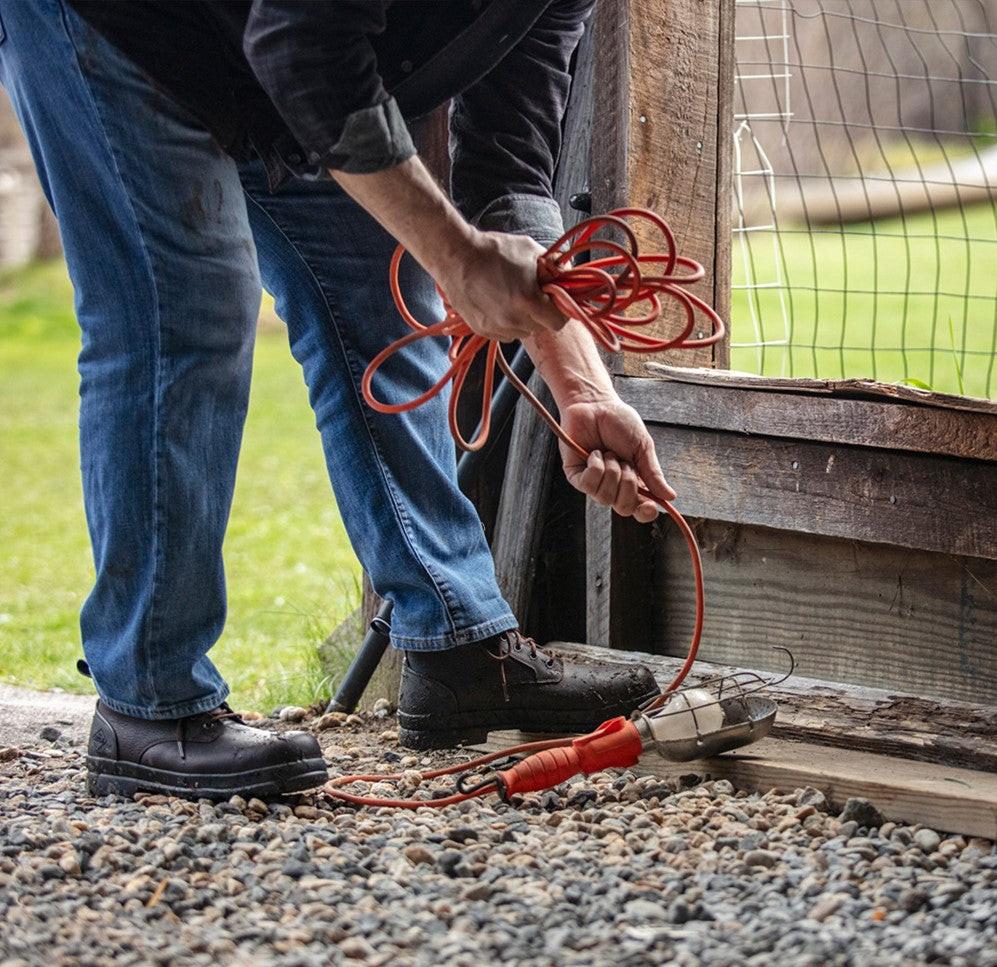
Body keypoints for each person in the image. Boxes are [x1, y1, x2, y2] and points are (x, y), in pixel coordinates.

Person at [0, 0, 675, 802]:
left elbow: (508, 172)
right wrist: (457, 256)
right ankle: (149, 704)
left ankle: (458, 647)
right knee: (181, 308)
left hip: (275, 52)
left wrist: (582, 388)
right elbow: (304, 49)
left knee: (383, 295)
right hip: (120, 23)